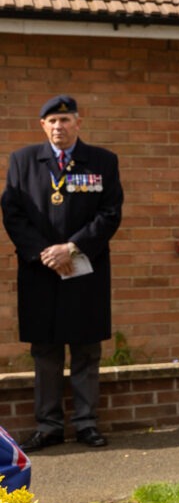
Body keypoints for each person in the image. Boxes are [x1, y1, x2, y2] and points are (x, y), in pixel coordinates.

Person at [1, 95, 123, 450]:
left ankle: (86, 423)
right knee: (46, 352)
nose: (59, 127)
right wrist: (47, 254)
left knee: (86, 351)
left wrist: (71, 247)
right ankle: (49, 425)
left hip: (85, 271)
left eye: (66, 120)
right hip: (41, 273)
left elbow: (110, 212)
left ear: (78, 124)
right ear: (43, 126)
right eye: (52, 121)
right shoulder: (23, 161)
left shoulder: (102, 161)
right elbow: (13, 213)